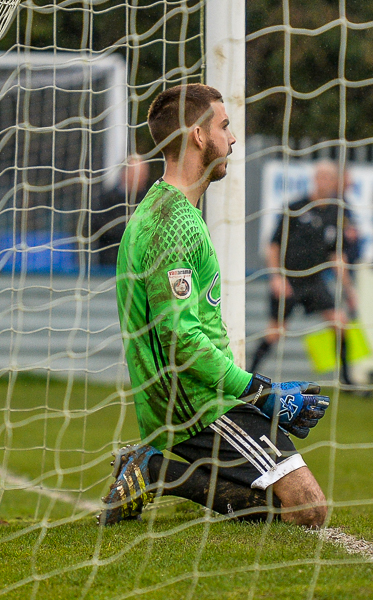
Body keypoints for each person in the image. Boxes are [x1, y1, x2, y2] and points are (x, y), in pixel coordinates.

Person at [100, 84, 330, 528]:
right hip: (194, 404)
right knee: (307, 509)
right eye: (224, 126)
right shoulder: (171, 223)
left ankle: (154, 472)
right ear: (199, 136)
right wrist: (262, 393)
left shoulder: (172, 210)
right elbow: (180, 338)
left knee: (280, 508)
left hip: (201, 395)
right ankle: (155, 471)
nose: (233, 137)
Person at [248, 160, 361, 388]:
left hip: (314, 282)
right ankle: (249, 376)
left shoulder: (336, 213)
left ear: (335, 182)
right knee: (275, 332)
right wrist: (276, 277)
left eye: (330, 178)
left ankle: (346, 380)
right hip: (288, 280)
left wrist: (350, 292)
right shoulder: (295, 207)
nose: (325, 182)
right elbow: (273, 246)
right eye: (321, 177)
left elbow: (336, 256)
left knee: (340, 323)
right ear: (315, 179)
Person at [92, 154, 150, 267]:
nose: (141, 177)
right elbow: (97, 227)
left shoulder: (150, 201)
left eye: (143, 173)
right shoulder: (107, 200)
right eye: (136, 173)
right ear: (124, 173)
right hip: (109, 265)